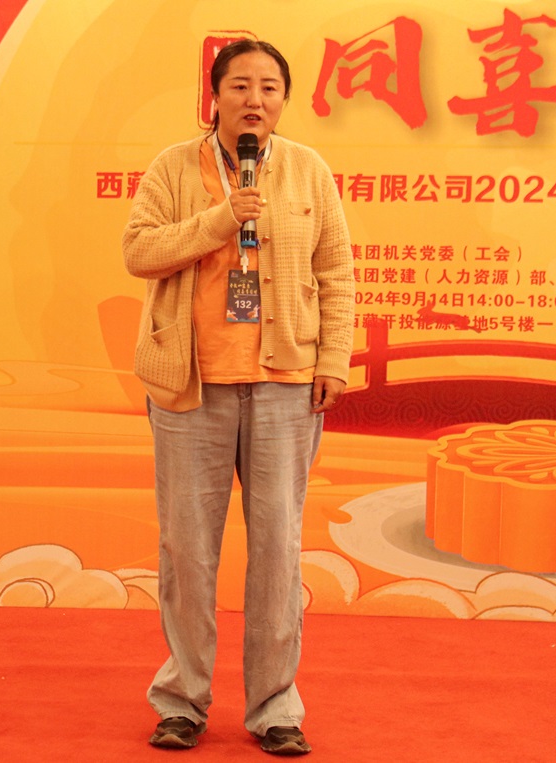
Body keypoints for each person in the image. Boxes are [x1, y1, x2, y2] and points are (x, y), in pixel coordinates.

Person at [122, 39, 355, 755]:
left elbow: (336, 270)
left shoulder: (309, 170)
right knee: (186, 551)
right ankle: (182, 700)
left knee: (278, 550)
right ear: (215, 95)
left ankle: (275, 707)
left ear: (284, 99)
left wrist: (334, 360)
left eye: (270, 87)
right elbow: (139, 251)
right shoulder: (172, 167)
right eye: (240, 85)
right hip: (191, 387)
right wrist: (222, 218)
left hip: (285, 385)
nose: (255, 99)